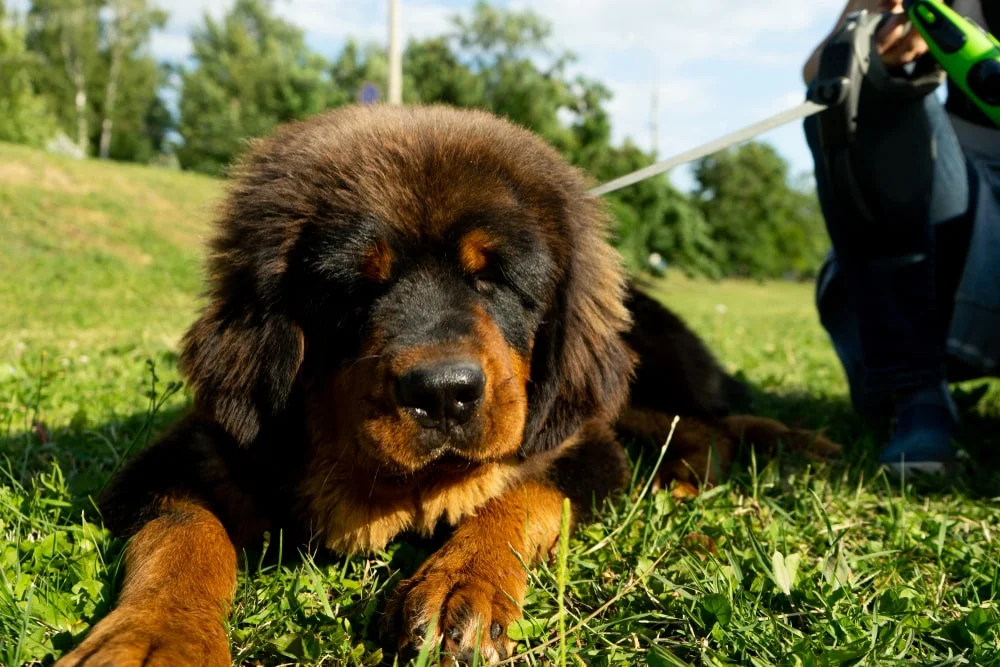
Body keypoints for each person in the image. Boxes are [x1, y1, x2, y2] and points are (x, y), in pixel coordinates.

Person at [802, 0, 1000, 473]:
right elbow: (819, 72)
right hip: (941, 237)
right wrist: (872, 43)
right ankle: (915, 392)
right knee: (854, 71)